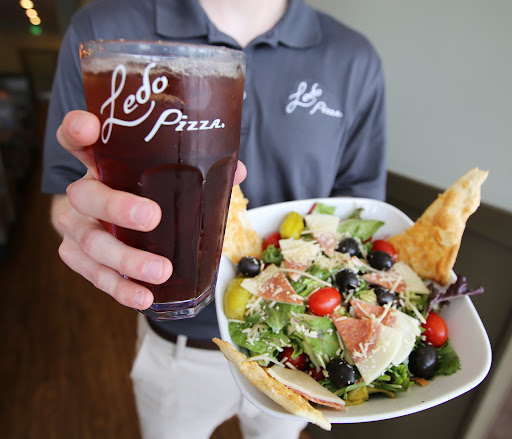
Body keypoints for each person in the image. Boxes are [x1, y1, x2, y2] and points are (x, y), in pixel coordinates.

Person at [42, 0, 387, 438]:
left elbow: (358, 207)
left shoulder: (353, 58)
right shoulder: (103, 30)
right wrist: (85, 221)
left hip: (294, 348)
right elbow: (65, 192)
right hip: (177, 342)